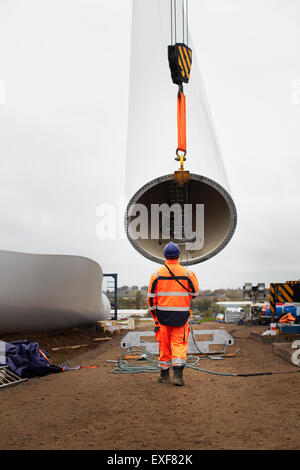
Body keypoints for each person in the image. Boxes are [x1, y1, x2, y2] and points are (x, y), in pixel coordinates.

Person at [147, 242, 199, 386]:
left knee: (164, 345)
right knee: (179, 344)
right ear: (178, 256)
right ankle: (178, 376)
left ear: (164, 256)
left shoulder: (156, 274)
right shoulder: (188, 273)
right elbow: (194, 293)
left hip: (162, 316)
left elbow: (151, 299)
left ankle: (164, 376)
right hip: (181, 316)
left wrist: (155, 316)